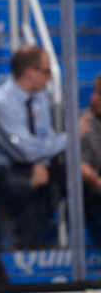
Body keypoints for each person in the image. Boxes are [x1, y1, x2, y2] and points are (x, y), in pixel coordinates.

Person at [0, 45, 66, 249]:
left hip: (32, 167)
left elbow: (44, 137)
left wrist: (42, 164)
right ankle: (18, 251)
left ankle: (36, 247)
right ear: (30, 72)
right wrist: (69, 139)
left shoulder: (40, 96)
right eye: (46, 71)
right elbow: (26, 150)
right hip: (3, 172)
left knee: (67, 174)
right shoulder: (0, 102)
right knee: (25, 186)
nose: (49, 77)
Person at [81, 74, 101, 246]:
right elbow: (83, 166)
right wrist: (96, 180)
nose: (93, 98)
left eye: (99, 93)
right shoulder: (86, 124)